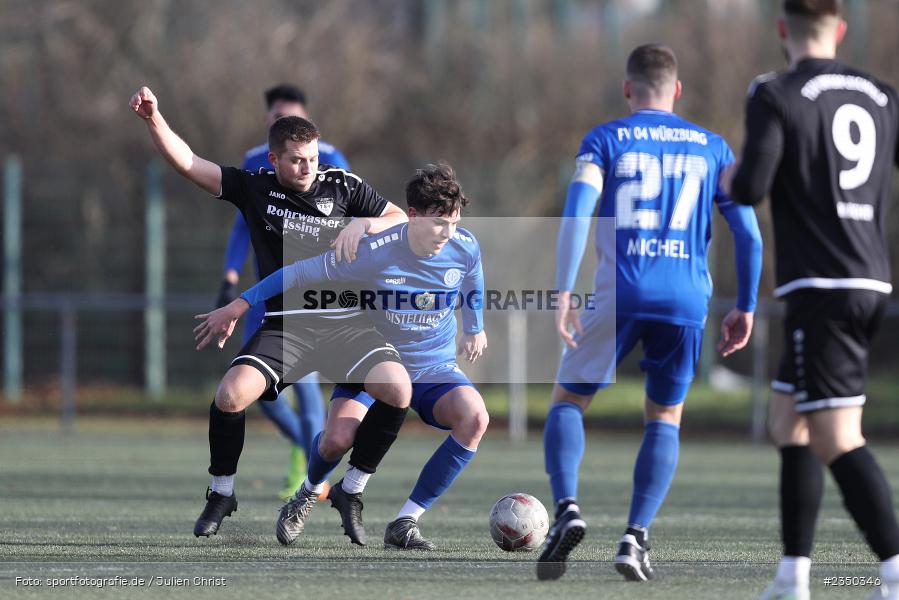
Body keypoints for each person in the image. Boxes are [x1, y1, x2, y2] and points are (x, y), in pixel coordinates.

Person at [129, 86, 413, 540]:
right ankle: (222, 493)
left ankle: (352, 489)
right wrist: (153, 119)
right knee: (229, 395)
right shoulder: (253, 186)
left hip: (346, 325)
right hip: (287, 328)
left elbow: (401, 218)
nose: (308, 167)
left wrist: (366, 222)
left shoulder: (343, 185)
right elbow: (189, 163)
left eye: (313, 158)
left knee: (398, 389)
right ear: (274, 159)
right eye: (297, 160)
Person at [537, 44, 763, 582]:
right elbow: (750, 234)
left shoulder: (605, 140)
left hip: (620, 292)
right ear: (677, 90)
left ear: (627, 88)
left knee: (568, 399)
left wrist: (564, 290)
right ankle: (634, 538)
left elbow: (578, 213)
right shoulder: (714, 148)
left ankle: (567, 508)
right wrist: (747, 305)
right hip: (685, 298)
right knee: (664, 417)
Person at [196, 163, 488, 550]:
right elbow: (299, 273)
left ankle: (405, 521)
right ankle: (308, 492)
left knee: (475, 418)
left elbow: (473, 281)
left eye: (454, 222)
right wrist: (242, 303)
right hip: (375, 361)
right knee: (336, 440)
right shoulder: (372, 252)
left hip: (433, 366)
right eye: (439, 223)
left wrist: (474, 327)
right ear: (413, 216)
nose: (448, 233)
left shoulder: (464, 245)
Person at [726, 2, 899, 598]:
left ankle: (894, 572)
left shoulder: (774, 91)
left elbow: (751, 186)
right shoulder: (882, 95)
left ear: (783, 29)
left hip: (822, 285)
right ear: (840, 29)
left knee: (836, 436)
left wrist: (728, 180)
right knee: (788, 423)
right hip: (869, 279)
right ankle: (792, 576)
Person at [216, 84, 351, 501]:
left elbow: (353, 212)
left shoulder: (330, 160)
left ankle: (314, 479)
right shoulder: (255, 162)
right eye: (279, 118)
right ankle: (305, 447)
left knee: (307, 388)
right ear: (269, 124)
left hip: (307, 300)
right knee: (260, 395)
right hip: (263, 294)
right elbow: (242, 225)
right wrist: (230, 275)